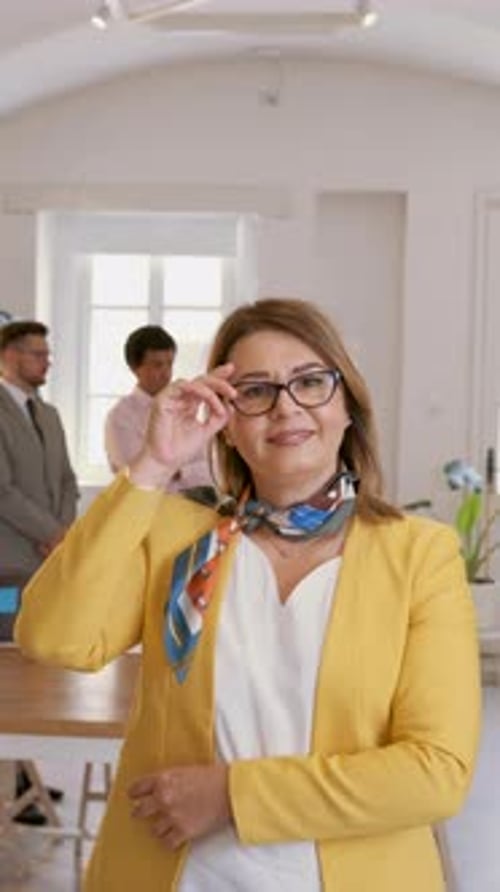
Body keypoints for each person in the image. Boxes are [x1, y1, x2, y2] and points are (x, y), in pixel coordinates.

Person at [15, 298, 480, 892]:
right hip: (170, 875)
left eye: (310, 382)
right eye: (256, 392)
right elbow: (54, 637)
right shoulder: (175, 537)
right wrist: (152, 466)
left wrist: (231, 796)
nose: (286, 408)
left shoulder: (421, 555)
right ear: (227, 424)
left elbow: (435, 772)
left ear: (347, 408)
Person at [0, 319, 79, 825]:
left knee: (32, 668)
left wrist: (66, 533)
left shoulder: (48, 414)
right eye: (35, 354)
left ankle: (22, 779)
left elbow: (68, 481)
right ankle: (12, 785)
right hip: (5, 569)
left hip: (45, 567)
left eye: (46, 353)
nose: (45, 361)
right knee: (5, 669)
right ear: (7, 356)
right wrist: (51, 533)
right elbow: (2, 490)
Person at [105, 324, 209, 490]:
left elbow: (208, 468)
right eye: (158, 365)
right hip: (144, 511)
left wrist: (176, 470)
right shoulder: (120, 417)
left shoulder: (183, 408)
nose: (167, 373)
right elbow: (132, 476)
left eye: (170, 363)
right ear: (135, 368)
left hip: (191, 509)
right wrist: (182, 468)